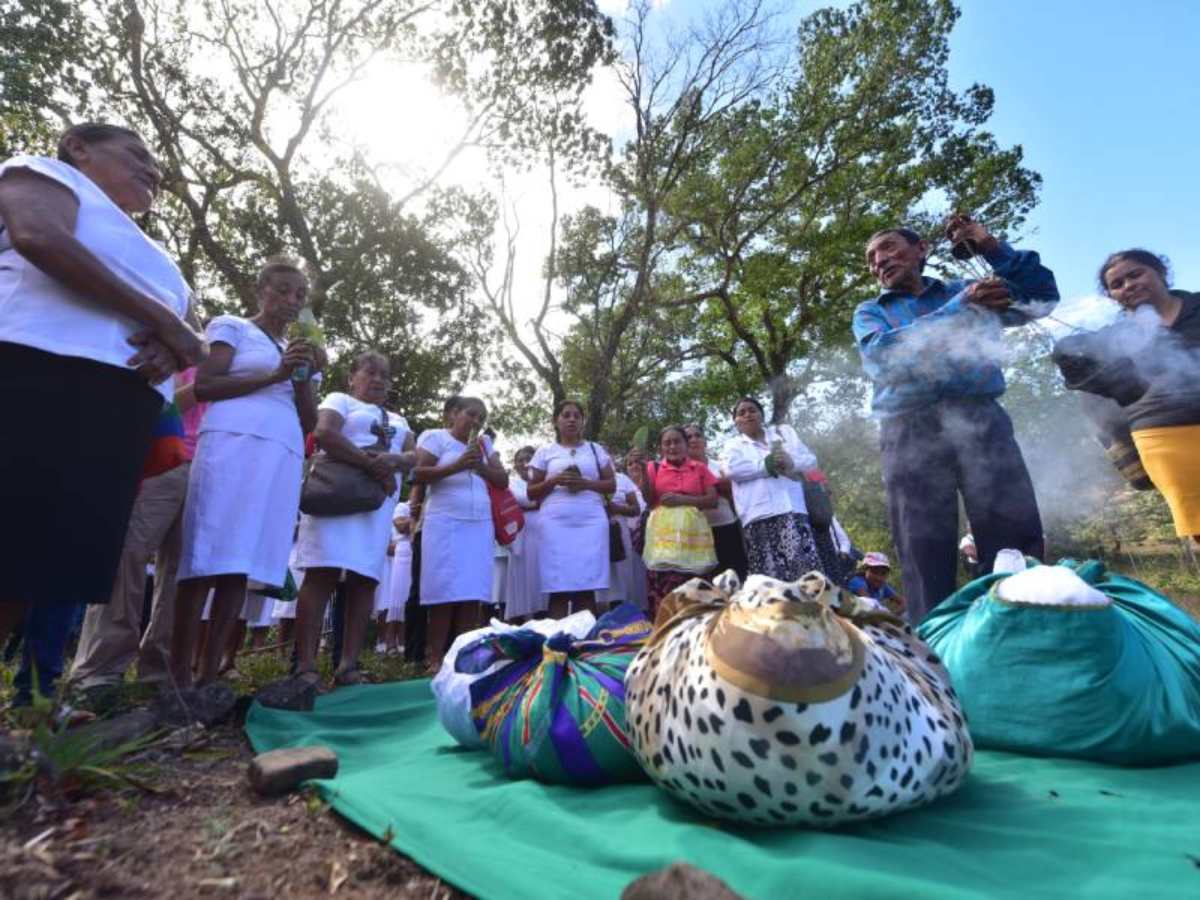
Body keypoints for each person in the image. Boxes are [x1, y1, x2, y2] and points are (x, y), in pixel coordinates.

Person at [0, 123, 205, 649]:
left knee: (56, 557)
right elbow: (38, 237)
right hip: (34, 371)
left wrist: (173, 341)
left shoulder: (160, 257)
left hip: (119, 405)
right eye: (137, 154)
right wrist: (163, 321)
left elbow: (195, 338)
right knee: (12, 535)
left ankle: (37, 709)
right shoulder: (45, 174)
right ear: (78, 147)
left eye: (157, 169)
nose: (152, 170)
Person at [853, 214, 1058, 622]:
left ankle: (1025, 627)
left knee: (1011, 533)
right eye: (872, 259)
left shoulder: (969, 289)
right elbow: (884, 358)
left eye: (889, 248)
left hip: (981, 418)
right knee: (922, 544)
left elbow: (1042, 297)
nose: (880, 261)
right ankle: (936, 650)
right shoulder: (872, 312)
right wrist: (958, 309)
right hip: (909, 428)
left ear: (920, 250)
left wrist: (988, 244)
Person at [171, 258, 320, 686]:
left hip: (281, 453)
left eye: (299, 295)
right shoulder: (233, 327)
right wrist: (273, 374)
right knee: (205, 554)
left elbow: (309, 420)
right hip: (232, 444)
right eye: (283, 290)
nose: (291, 301)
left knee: (240, 561)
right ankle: (179, 673)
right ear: (260, 291)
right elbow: (206, 386)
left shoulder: (294, 349)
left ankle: (210, 671)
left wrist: (299, 376)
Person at [70, 366, 209, 691]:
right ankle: (100, 668)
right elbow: (161, 402)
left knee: (183, 573)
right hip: (165, 461)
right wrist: (208, 384)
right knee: (128, 557)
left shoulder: (245, 362)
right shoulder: (180, 357)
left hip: (211, 468)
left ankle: (159, 671)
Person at [1053, 250, 1200, 544]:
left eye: (1135, 274)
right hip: (1164, 438)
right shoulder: (1112, 338)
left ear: (1160, 272)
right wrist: (1066, 355)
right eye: (1117, 284)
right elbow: (1091, 393)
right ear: (1112, 296)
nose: (1128, 285)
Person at [293, 351, 414, 685]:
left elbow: (412, 455)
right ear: (352, 377)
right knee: (321, 574)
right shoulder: (340, 400)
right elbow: (325, 434)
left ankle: (347, 666)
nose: (378, 380)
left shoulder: (398, 420)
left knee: (364, 580)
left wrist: (394, 461)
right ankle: (305, 666)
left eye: (385, 375)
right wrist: (371, 463)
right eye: (370, 372)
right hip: (336, 495)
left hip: (376, 506)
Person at [411, 396, 507, 671]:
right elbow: (417, 473)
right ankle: (435, 658)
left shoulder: (484, 445)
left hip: (479, 524)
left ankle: (463, 656)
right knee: (444, 591)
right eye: (471, 414)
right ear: (453, 414)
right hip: (446, 523)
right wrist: (457, 465)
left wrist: (479, 466)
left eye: (481, 418)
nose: (476, 421)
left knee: (471, 590)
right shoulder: (435, 437)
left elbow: (502, 479)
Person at [720, 397, 829, 581]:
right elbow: (730, 469)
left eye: (752, 410)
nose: (747, 415)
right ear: (736, 423)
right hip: (759, 517)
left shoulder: (784, 434)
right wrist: (766, 465)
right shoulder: (733, 445)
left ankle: (810, 609)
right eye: (741, 413)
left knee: (806, 576)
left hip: (795, 511)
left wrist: (791, 462)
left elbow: (811, 460)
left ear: (762, 415)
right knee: (770, 579)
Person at [526, 401, 617, 618]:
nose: (572, 419)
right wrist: (555, 480)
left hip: (591, 521)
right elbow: (532, 492)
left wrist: (585, 484)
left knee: (587, 586)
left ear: (583, 421)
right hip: (555, 524)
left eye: (577, 416)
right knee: (558, 588)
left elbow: (611, 485)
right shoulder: (545, 452)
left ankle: (586, 647)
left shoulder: (595, 449)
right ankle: (556, 647)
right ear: (556, 421)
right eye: (566, 415)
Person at [639, 426, 719, 616]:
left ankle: (698, 631)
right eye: (667, 443)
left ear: (686, 445)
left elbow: (713, 500)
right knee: (664, 583)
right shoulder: (654, 467)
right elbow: (649, 500)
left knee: (695, 584)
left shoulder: (699, 468)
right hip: (663, 540)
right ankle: (665, 632)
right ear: (661, 448)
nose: (672, 446)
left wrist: (683, 500)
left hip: (694, 540)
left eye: (677, 441)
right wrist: (643, 472)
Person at [683, 424, 748, 581]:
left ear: (705, 441)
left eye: (698, 435)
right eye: (688, 437)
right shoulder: (679, 472)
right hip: (696, 534)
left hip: (728, 527)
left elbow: (737, 496)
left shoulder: (721, 466)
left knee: (736, 576)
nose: (694, 440)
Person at [502, 447, 547, 623]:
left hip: (543, 532)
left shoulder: (543, 480)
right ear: (515, 464)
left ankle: (543, 613)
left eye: (529, 458)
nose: (525, 463)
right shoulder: (511, 483)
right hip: (522, 533)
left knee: (541, 572)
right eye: (520, 460)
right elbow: (525, 500)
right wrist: (538, 502)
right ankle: (522, 616)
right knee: (523, 574)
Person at [847, 552, 905, 616]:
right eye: (874, 572)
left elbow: (903, 602)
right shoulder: (857, 582)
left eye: (883, 573)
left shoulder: (883, 586)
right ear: (865, 570)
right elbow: (870, 604)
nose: (878, 577)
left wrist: (893, 615)